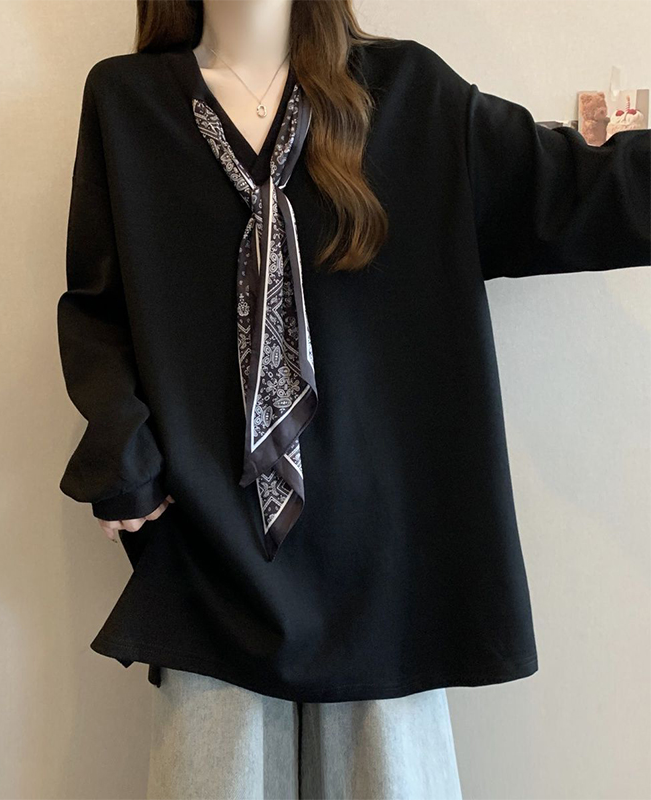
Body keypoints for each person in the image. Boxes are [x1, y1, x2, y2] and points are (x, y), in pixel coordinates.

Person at [56, 0, 651, 796]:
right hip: (213, 557)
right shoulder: (127, 102)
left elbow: (570, 190)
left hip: (387, 567)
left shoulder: (408, 95)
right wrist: (122, 454)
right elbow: (99, 306)